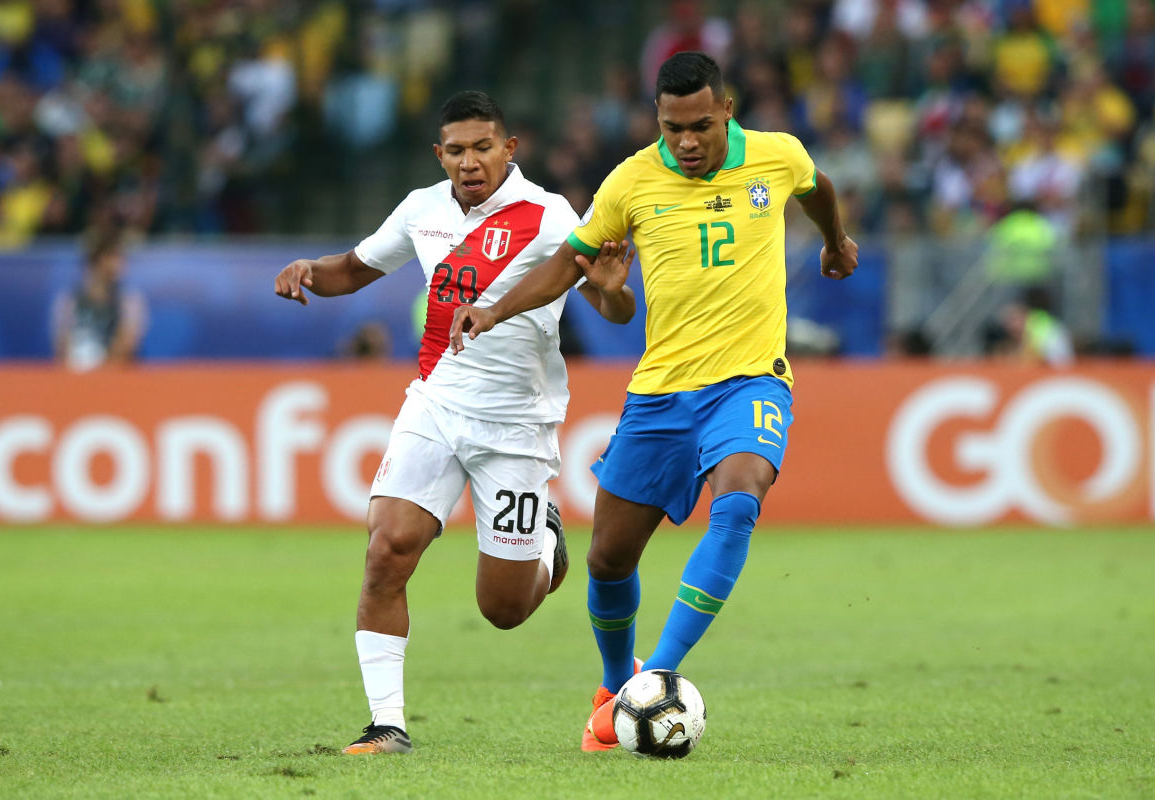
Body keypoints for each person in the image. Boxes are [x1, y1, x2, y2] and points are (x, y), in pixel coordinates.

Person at [450, 52, 858, 752]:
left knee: (737, 502)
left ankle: (657, 677)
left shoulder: (774, 156)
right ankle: (615, 687)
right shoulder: (631, 181)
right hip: (662, 393)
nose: (688, 141)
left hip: (752, 380)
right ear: (657, 121)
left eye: (701, 125)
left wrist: (833, 238)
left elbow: (816, 185)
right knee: (608, 560)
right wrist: (493, 309)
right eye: (674, 128)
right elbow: (566, 265)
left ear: (726, 110)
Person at [274, 90, 614, 755]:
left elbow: (613, 304)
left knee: (505, 610)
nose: (469, 161)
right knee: (385, 550)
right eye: (455, 150)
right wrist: (310, 270)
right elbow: (354, 269)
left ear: (509, 148)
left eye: (483, 146)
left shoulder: (549, 216)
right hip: (435, 402)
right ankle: (387, 726)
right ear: (440, 154)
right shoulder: (421, 209)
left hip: (515, 425)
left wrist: (614, 284)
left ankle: (546, 545)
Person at [50, 227, 148, 371]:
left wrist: (102, 374)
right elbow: (61, 347)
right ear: (98, 260)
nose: (120, 264)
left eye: (121, 258)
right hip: (75, 377)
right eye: (114, 257)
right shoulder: (69, 301)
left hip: (112, 379)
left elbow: (126, 347)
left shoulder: (128, 301)